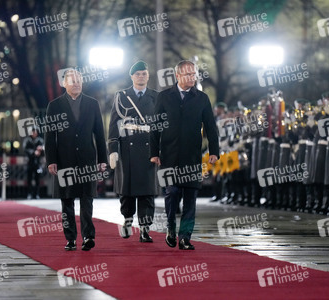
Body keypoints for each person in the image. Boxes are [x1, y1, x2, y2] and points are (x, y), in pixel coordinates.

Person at [150, 60, 219, 250]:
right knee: (171, 193)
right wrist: (154, 152)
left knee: (190, 197)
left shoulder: (202, 98)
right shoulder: (164, 97)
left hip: (192, 156)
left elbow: (211, 128)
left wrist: (214, 151)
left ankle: (185, 237)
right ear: (178, 76)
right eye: (188, 74)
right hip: (169, 155)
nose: (192, 77)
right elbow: (155, 127)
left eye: (194, 74)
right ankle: (171, 228)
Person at [45, 68, 107, 251]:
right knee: (67, 201)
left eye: (79, 80)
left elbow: (99, 134)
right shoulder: (54, 106)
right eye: (72, 81)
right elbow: (50, 136)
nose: (77, 83)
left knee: (87, 199)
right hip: (65, 160)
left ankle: (88, 236)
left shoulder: (92, 104)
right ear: (64, 84)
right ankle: (70, 238)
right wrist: (51, 160)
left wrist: (102, 159)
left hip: (87, 160)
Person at [108, 61, 158, 243]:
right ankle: (127, 220)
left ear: (148, 75)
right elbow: (113, 124)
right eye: (138, 74)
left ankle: (145, 229)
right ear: (132, 77)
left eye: (144, 73)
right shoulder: (121, 96)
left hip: (148, 150)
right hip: (126, 149)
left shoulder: (156, 97)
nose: (141, 77)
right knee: (126, 193)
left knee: (147, 193)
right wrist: (113, 149)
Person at [22, 128, 44, 199]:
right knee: (29, 179)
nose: (34, 133)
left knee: (38, 179)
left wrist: (41, 149)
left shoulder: (40, 140)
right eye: (33, 132)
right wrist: (33, 152)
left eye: (35, 132)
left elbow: (44, 149)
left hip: (38, 162)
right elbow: (25, 149)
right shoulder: (27, 140)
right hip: (29, 162)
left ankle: (37, 194)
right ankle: (29, 193)